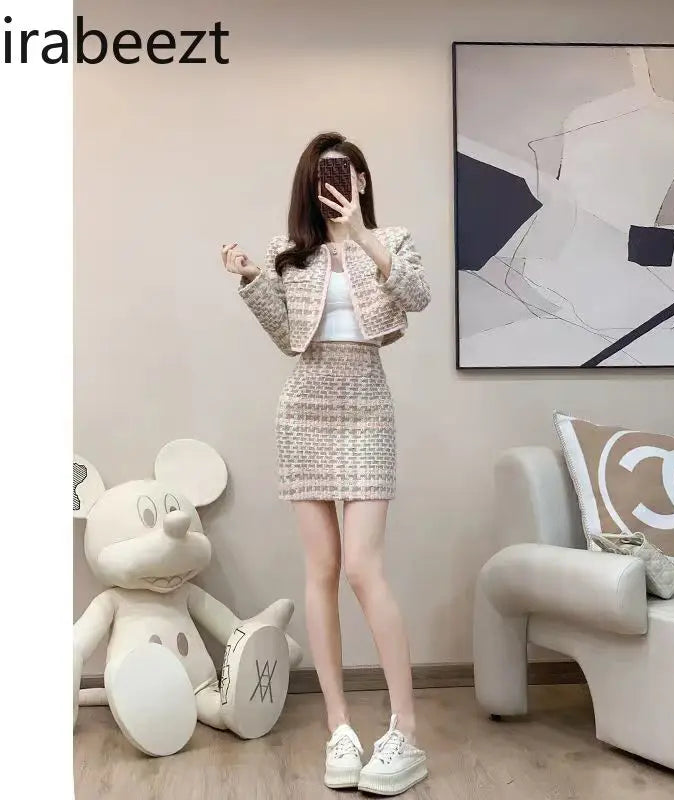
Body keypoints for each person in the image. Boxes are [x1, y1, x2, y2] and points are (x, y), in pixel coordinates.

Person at [221, 132, 430, 796]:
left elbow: (417, 297)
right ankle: (338, 726)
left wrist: (362, 236)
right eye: (323, 176)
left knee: (364, 568)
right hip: (303, 413)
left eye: (345, 173)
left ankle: (405, 730)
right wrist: (253, 279)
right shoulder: (291, 254)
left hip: (368, 409)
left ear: (362, 181)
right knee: (323, 570)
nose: (336, 184)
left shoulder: (391, 240)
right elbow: (290, 336)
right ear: (309, 187)